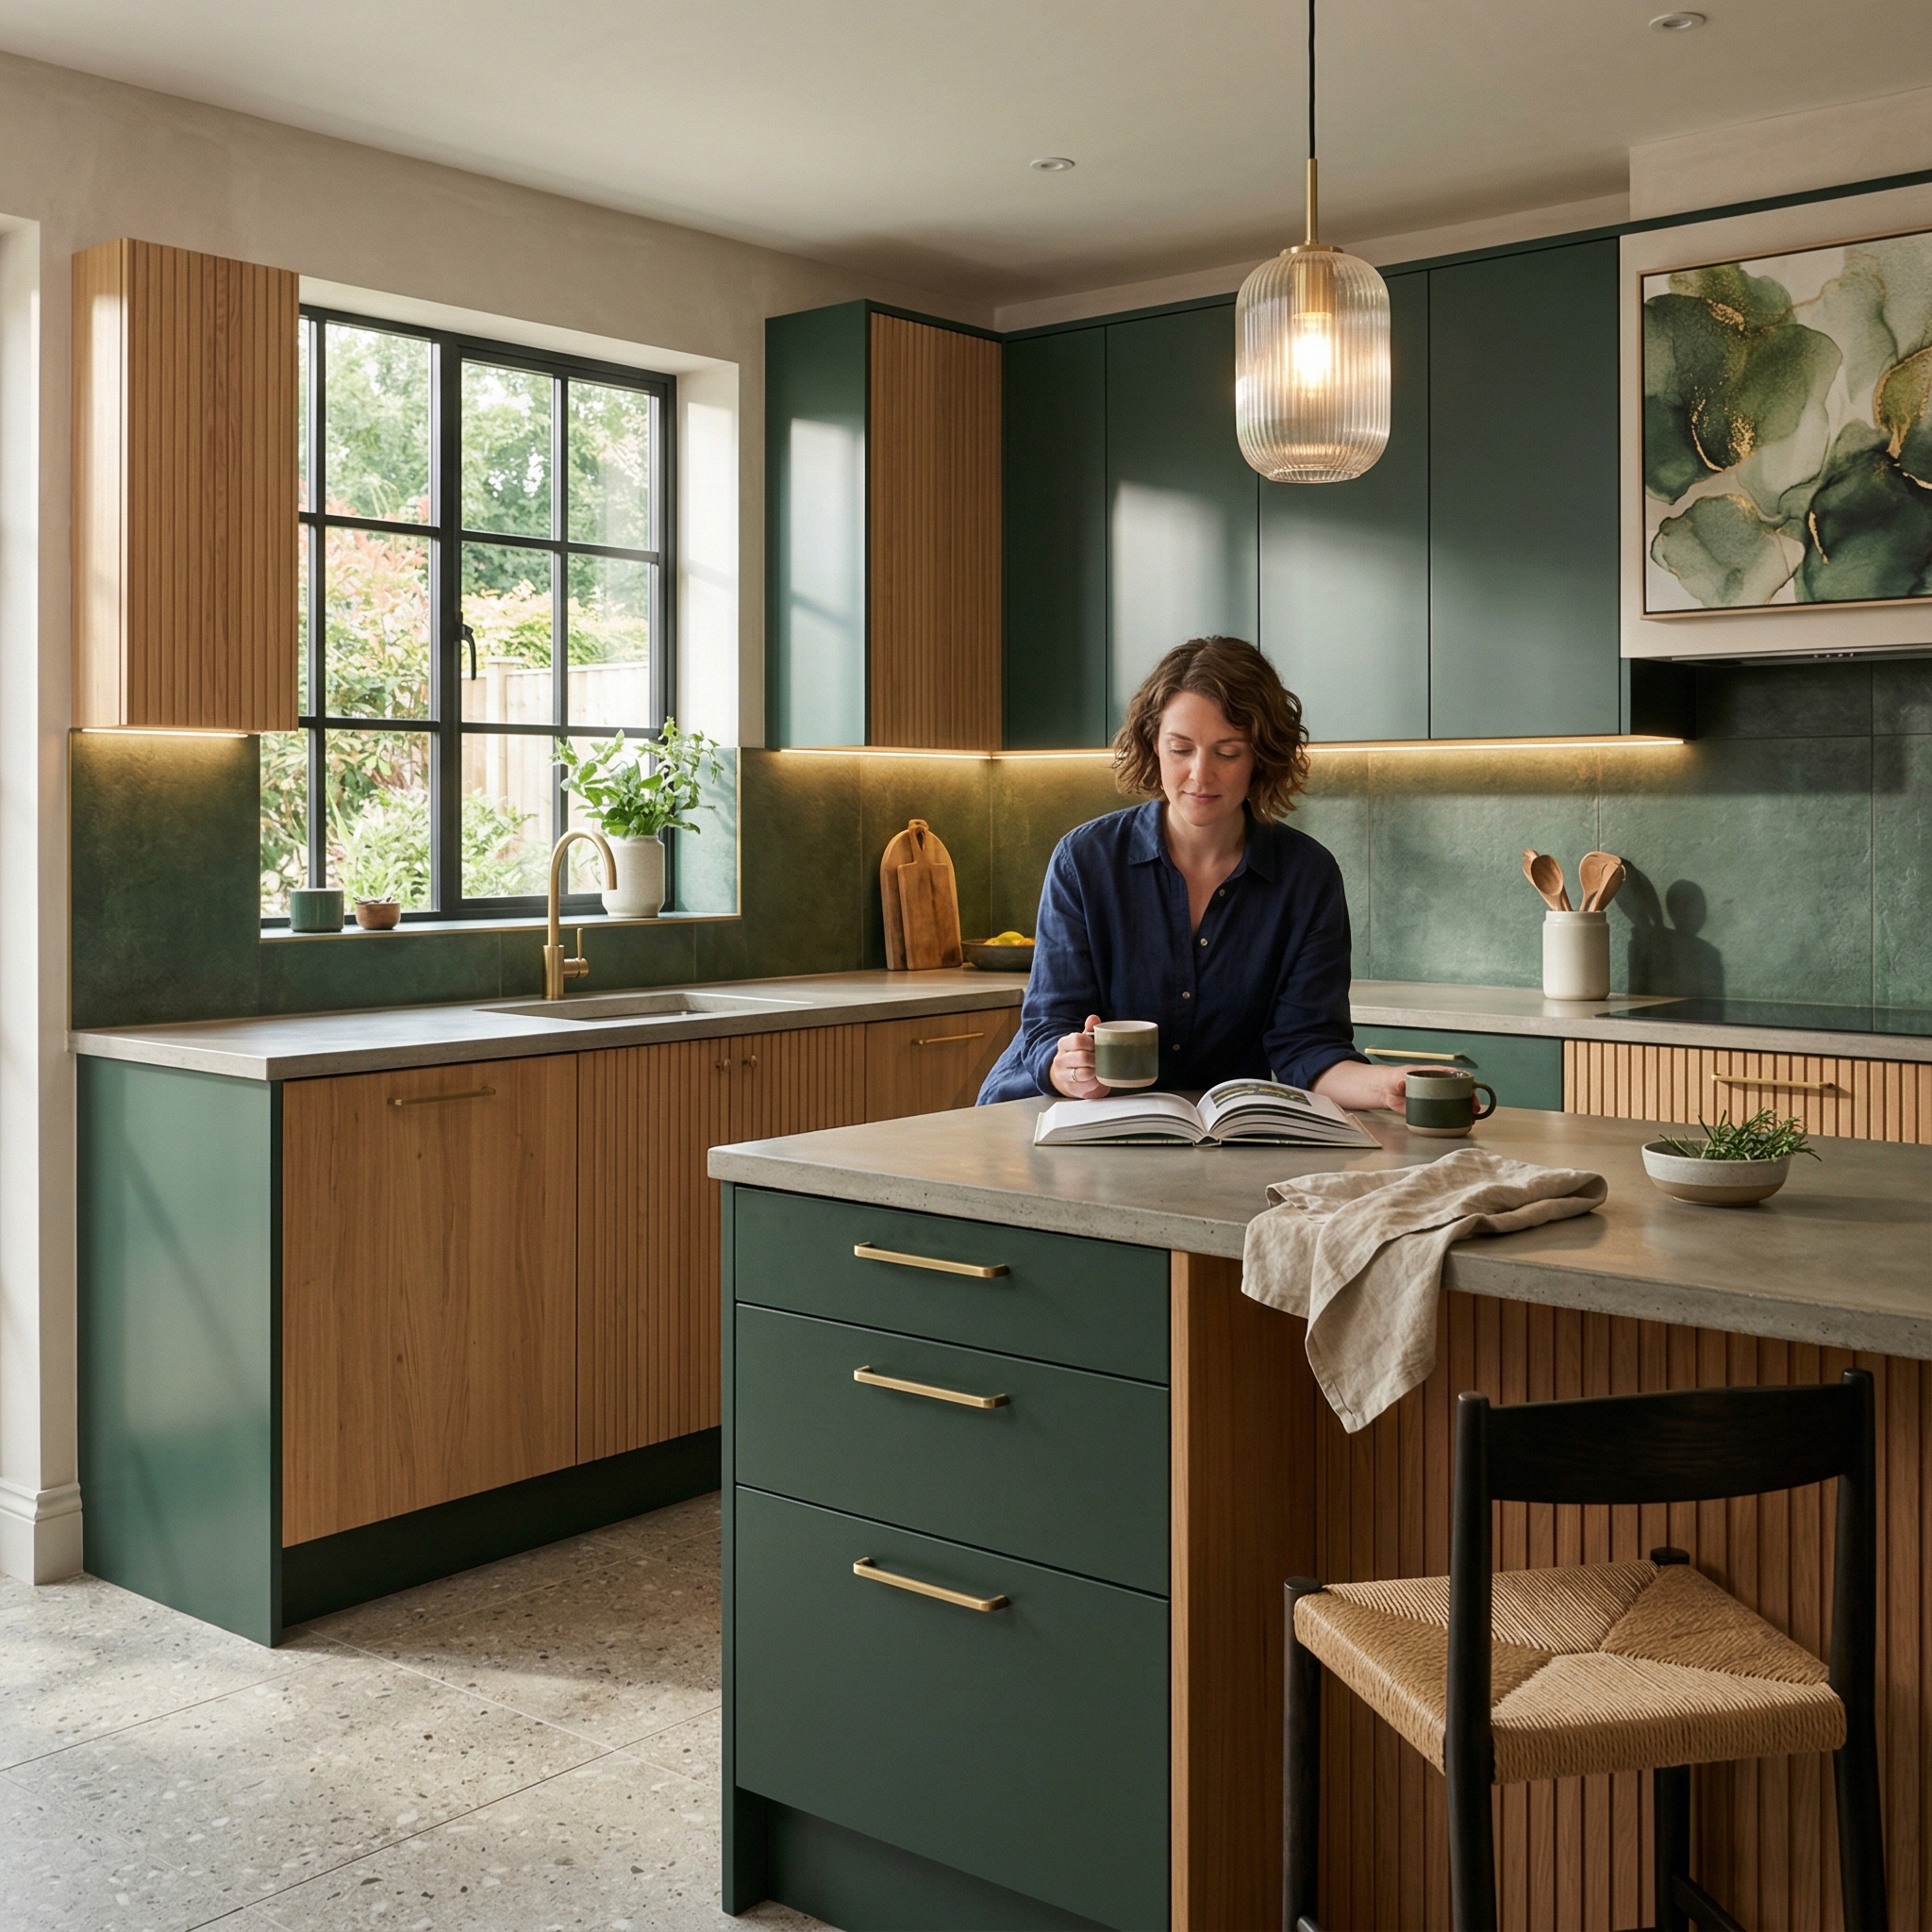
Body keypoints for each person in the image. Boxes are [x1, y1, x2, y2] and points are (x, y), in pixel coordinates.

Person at [977, 635, 1411, 1111]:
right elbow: (1048, 1027)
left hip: (1208, 1133)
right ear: (1154, 745)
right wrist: (1069, 1067)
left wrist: (1389, 1085)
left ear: (1261, 757)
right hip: (1048, 1114)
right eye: (1180, 749)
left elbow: (1307, 1048)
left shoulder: (1307, 877)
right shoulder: (1084, 860)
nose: (1200, 775)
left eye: (1228, 753)